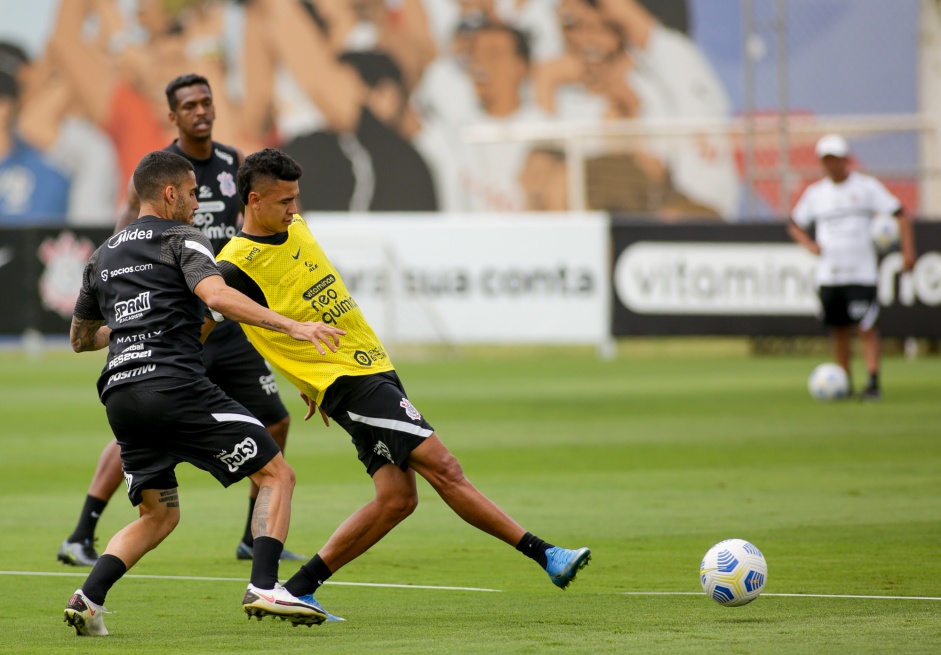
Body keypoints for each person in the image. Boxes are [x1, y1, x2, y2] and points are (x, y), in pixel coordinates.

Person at [215, 149, 591, 617]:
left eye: (296, 198)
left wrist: (304, 380)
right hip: (350, 381)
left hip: (373, 368)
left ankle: (300, 587)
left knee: (397, 499)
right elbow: (219, 321)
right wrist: (306, 374)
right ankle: (545, 554)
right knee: (445, 467)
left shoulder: (294, 227)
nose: (294, 209)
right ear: (253, 200)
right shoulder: (234, 264)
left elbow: (295, 305)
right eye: (284, 201)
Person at [63, 150, 345, 636]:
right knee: (277, 473)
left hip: (121, 396)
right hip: (173, 384)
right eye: (193, 193)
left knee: (158, 514)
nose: (198, 203)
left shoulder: (102, 255)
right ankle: (264, 585)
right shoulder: (181, 237)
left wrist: (133, 326)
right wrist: (292, 326)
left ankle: (88, 598)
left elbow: (80, 339)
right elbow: (215, 297)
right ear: (170, 193)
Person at [57, 73, 305, 568]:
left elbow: (254, 224)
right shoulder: (162, 173)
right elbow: (126, 232)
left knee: (274, 418)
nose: (200, 111)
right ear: (173, 116)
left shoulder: (235, 164)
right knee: (146, 416)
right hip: (180, 314)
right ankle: (82, 532)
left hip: (224, 314)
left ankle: (253, 535)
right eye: (189, 105)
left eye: (206, 101)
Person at [788, 134, 917, 400]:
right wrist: (809, 245)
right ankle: (843, 381)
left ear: (846, 159)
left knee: (866, 327)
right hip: (830, 274)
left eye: (835, 159)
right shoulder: (816, 194)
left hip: (861, 273)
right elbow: (794, 224)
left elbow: (900, 215)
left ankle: (872, 381)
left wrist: (907, 251)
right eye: (826, 160)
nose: (831, 165)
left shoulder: (866, 188)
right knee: (839, 329)